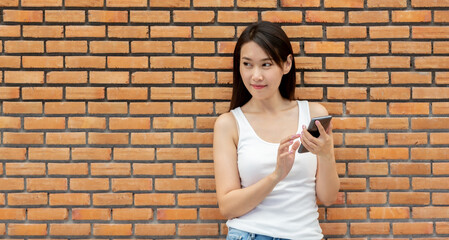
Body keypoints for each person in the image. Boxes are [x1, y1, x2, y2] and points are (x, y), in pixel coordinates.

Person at [213, 21, 340, 240]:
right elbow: (227, 207)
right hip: (250, 234)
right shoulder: (229, 124)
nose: (256, 76)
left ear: (287, 64)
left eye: (266, 64)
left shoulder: (314, 114)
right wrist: (276, 175)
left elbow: (328, 197)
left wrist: (327, 154)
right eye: (247, 64)